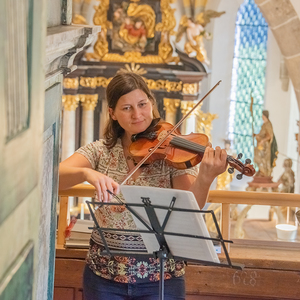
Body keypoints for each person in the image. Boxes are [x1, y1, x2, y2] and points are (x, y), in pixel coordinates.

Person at [59, 72, 227, 300]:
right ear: (113, 114)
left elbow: (191, 209)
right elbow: (54, 176)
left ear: (152, 104)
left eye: (142, 104)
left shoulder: (173, 154)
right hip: (103, 277)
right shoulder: (101, 150)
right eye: (127, 108)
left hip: (161, 279)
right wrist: (86, 173)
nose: (137, 114)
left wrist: (206, 177)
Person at [253, 110, 278, 177]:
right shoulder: (264, 125)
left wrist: (262, 141)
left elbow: (269, 136)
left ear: (264, 116)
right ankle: (261, 171)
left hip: (265, 147)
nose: (262, 117)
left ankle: (264, 172)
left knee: (261, 158)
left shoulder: (268, 125)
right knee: (257, 157)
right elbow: (262, 134)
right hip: (261, 146)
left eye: (262, 115)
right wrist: (256, 135)